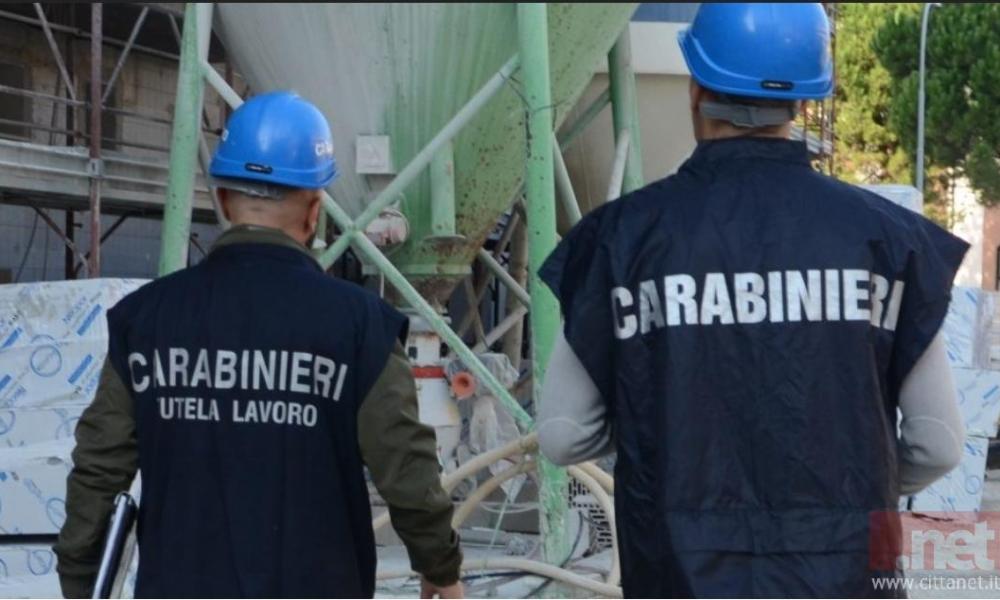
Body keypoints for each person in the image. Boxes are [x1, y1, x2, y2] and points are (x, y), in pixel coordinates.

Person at [537, 4, 967, 597]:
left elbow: (563, 434)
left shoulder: (622, 240)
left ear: (695, 90)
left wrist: (660, 436)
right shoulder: (889, 242)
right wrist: (852, 490)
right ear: (804, 103)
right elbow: (938, 443)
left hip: (678, 571)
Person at [54, 91, 464, 599]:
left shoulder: (145, 321)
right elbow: (406, 468)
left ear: (224, 202)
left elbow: (98, 470)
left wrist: (79, 577)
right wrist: (440, 567)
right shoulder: (360, 327)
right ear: (314, 211)